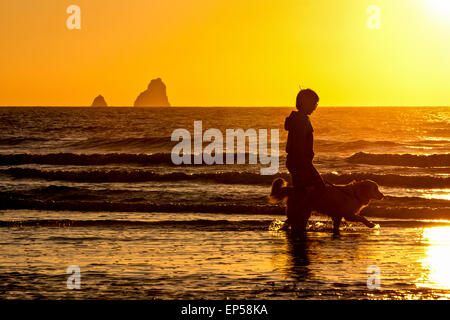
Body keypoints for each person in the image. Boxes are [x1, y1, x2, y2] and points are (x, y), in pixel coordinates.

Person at [284, 89, 325, 234]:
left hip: (298, 162)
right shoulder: (301, 120)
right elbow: (298, 145)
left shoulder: (299, 118)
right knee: (318, 188)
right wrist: (306, 164)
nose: (315, 106)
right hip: (300, 163)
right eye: (314, 103)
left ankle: (297, 220)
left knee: (304, 191)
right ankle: (298, 221)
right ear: (305, 103)